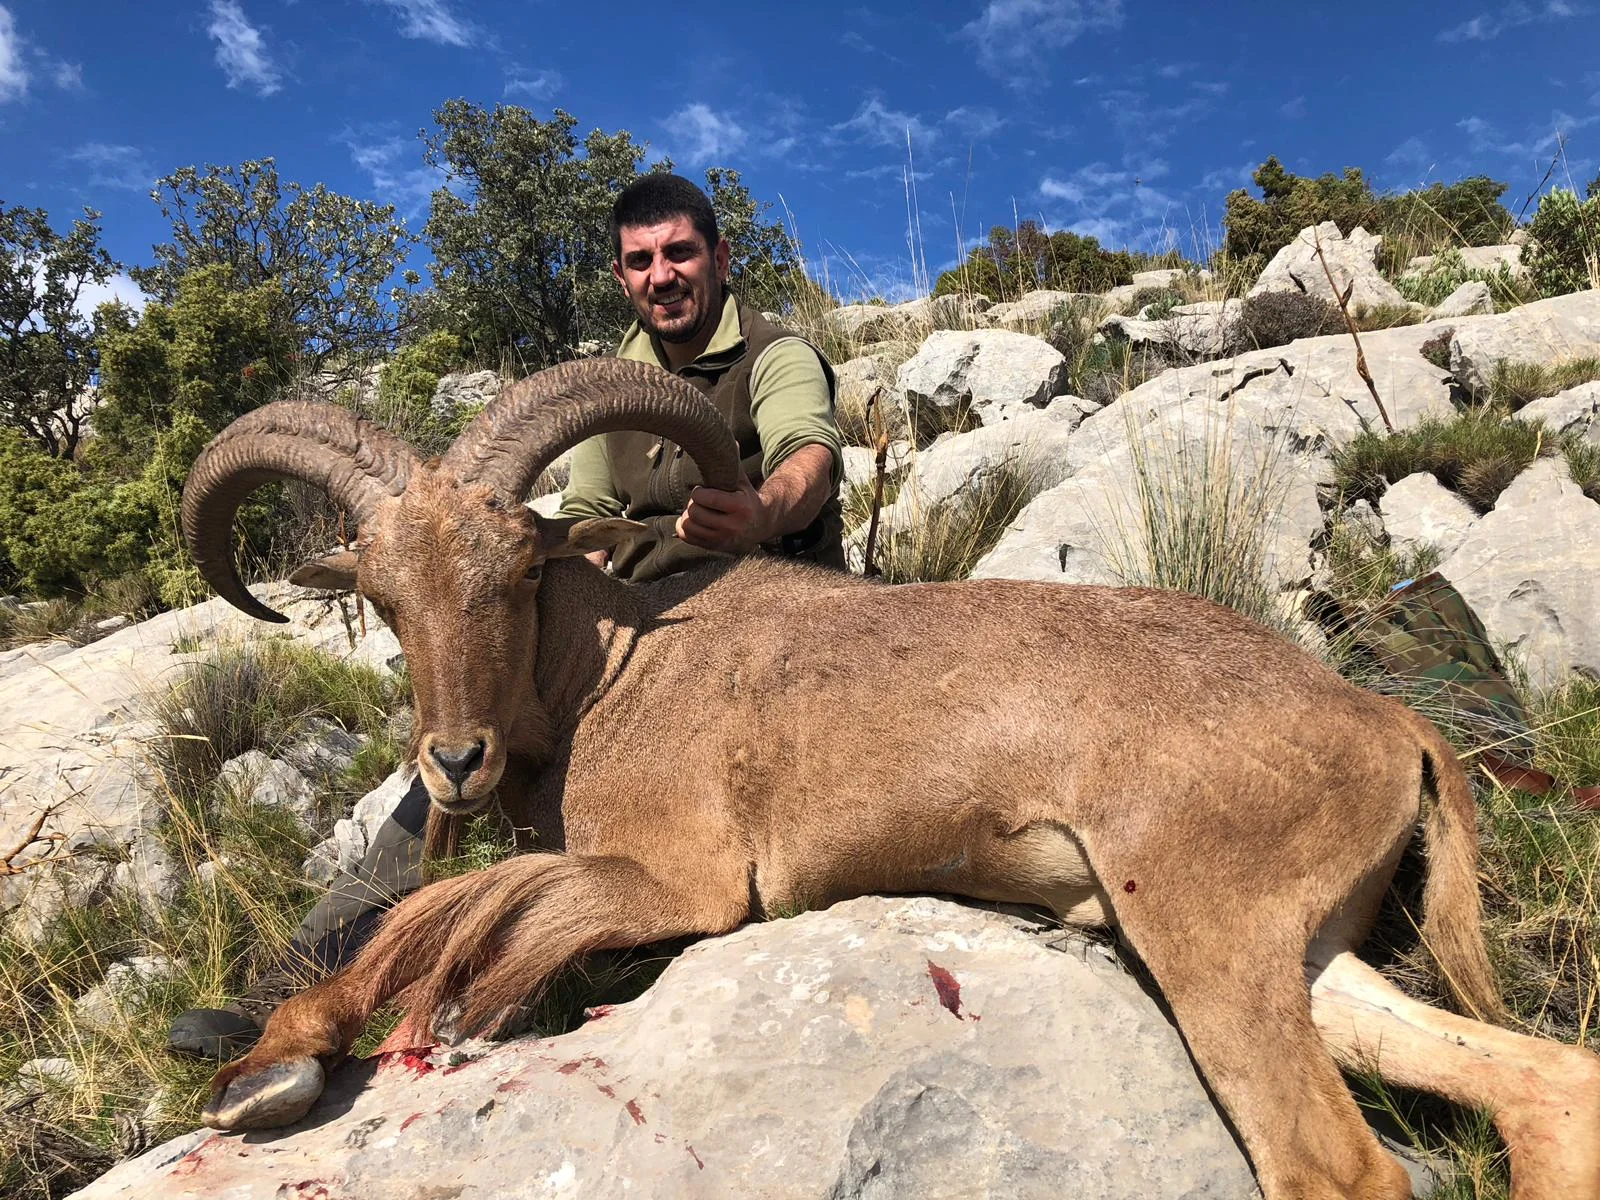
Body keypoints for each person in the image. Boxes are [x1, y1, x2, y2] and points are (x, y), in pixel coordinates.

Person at [168, 174, 845, 1060]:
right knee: (461, 744)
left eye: (680, 253)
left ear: (718, 257)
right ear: (621, 276)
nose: (663, 275)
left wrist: (763, 509)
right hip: (636, 615)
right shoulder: (620, 376)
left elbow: (810, 460)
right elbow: (591, 519)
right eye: (642, 261)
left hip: (765, 616)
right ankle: (285, 984)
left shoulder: (775, 355)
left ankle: (442, 966)